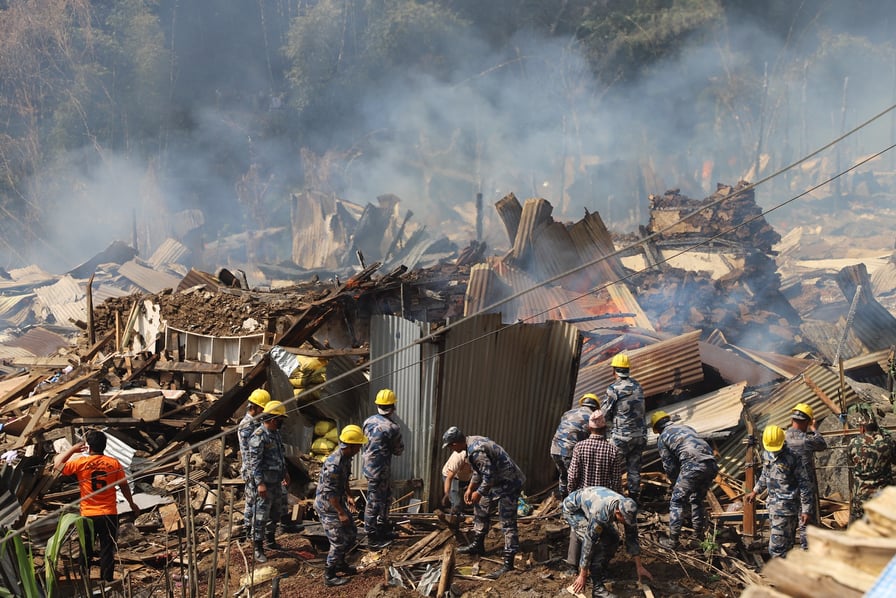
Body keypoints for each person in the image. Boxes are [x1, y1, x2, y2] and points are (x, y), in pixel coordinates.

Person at [53, 430, 141, 582]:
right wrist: (132, 504)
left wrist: (73, 449)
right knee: (107, 549)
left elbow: (57, 465)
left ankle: (84, 580)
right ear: (104, 446)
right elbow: (125, 487)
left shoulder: (80, 462)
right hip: (109, 513)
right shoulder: (113, 463)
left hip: (88, 514)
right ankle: (106, 581)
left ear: (89, 446)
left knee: (85, 549)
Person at [442, 426, 525, 579]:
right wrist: (470, 488)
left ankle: (508, 562)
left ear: (455, 444)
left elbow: (489, 477)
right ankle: (478, 544)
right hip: (495, 481)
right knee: (480, 508)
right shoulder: (470, 444)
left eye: (449, 447)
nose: (450, 450)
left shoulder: (476, 451)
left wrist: (478, 492)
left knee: (507, 521)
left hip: (508, 483)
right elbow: (478, 472)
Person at [562, 486, 652, 598]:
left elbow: (632, 537)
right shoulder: (600, 513)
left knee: (613, 538)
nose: (626, 523)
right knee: (598, 545)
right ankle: (597, 588)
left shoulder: (626, 508)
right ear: (618, 513)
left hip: (591, 504)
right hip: (574, 510)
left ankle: (600, 570)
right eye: (624, 520)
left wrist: (639, 566)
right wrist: (583, 575)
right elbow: (589, 543)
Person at [564, 410, 623, 572]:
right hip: (603, 502)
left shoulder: (580, 447)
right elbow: (616, 480)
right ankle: (597, 565)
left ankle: (572, 566)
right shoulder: (613, 450)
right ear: (605, 429)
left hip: (583, 498)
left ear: (589, 429)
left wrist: (571, 494)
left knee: (577, 531)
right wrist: (617, 502)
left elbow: (572, 475)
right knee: (602, 533)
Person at [650, 410, 719, 548]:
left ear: (657, 429)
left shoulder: (663, 437)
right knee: (697, 499)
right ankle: (697, 537)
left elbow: (669, 465)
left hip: (692, 466)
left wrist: (675, 483)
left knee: (677, 502)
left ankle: (673, 541)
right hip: (711, 464)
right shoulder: (686, 428)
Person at [745, 425, 813, 559]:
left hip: (787, 508)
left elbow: (805, 484)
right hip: (773, 507)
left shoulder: (793, 457)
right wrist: (755, 491)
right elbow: (765, 474)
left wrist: (806, 510)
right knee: (785, 547)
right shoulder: (767, 454)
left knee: (776, 548)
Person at [315, 424, 367, 587]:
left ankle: (340, 563)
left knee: (351, 533)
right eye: (359, 445)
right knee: (337, 540)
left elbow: (344, 480)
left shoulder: (346, 458)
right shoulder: (333, 465)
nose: (360, 448)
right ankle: (329, 575)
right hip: (328, 506)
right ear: (350, 445)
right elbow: (329, 493)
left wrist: (350, 495)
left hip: (338, 502)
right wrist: (341, 513)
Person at [247, 400, 290, 563]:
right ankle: (258, 546)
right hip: (264, 483)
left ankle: (271, 540)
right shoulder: (258, 436)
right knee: (260, 515)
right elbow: (254, 463)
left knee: (275, 512)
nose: (282, 422)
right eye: (280, 419)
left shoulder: (276, 434)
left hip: (276, 481)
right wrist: (260, 483)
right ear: (272, 419)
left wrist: (285, 472)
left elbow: (280, 455)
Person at [362, 388, 404, 549]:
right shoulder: (393, 428)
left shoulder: (368, 421)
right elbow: (398, 450)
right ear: (393, 407)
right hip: (380, 470)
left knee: (385, 497)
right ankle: (371, 537)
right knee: (375, 502)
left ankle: (382, 527)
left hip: (369, 468)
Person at [601, 353, 646, 502]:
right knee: (634, 469)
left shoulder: (614, 389)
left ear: (614, 370)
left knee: (611, 469)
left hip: (621, 437)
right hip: (640, 436)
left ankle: (614, 500)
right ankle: (633, 499)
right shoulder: (638, 386)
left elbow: (605, 413)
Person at [784, 402, 828, 549]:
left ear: (792, 420)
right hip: (806, 488)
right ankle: (807, 554)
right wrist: (814, 429)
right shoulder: (806, 440)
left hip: (786, 487)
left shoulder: (782, 438)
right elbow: (822, 444)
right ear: (808, 422)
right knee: (806, 522)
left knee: (787, 526)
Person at [847, 412, 895, 521]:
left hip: (861, 496)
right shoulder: (887, 442)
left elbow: (851, 464)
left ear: (863, 428)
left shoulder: (853, 443)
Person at [551, 393, 601, 498]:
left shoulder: (568, 413)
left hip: (555, 449)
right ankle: (574, 503)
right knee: (577, 479)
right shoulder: (592, 417)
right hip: (569, 451)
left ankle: (564, 501)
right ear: (595, 406)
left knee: (564, 475)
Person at [238, 388, 270, 535]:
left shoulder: (255, 422)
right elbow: (253, 452)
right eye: (262, 408)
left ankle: (252, 531)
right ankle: (247, 531)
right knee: (252, 502)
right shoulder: (247, 425)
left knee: (255, 501)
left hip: (256, 468)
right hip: (251, 469)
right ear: (255, 407)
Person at [441, 449, 472, 519]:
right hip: (452, 477)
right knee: (456, 500)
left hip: (466, 478)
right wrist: (446, 494)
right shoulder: (457, 457)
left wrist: (470, 488)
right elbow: (449, 478)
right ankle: (454, 517)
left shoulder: (479, 459)